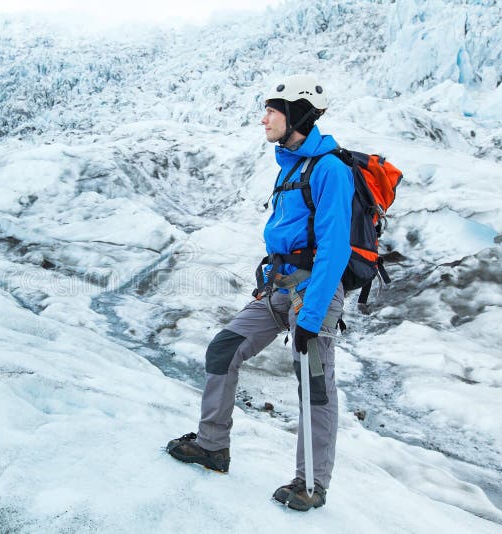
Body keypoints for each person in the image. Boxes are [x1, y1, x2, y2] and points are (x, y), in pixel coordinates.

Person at [166, 74, 354, 512]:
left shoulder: (329, 168)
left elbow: (334, 248)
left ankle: (310, 485)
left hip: (315, 294)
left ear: (298, 115)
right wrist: (269, 286)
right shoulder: (291, 165)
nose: (264, 117)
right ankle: (213, 446)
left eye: (273, 109)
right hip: (280, 289)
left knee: (314, 386)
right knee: (223, 348)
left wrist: (309, 318)